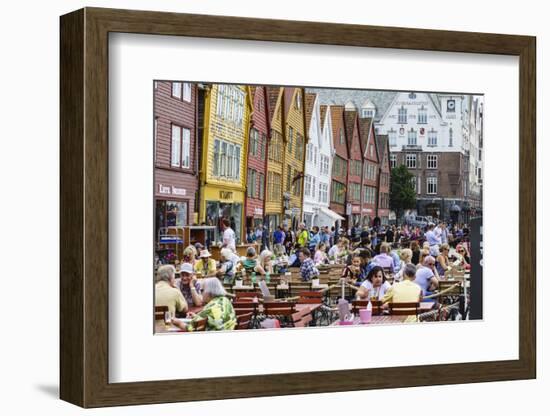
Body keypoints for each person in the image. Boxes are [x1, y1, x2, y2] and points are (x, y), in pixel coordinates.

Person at [172, 278, 237, 331]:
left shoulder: (210, 309)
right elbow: (212, 317)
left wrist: (179, 323)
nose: (201, 293)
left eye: (202, 290)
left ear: (209, 292)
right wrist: (197, 317)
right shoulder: (225, 300)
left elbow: (190, 329)